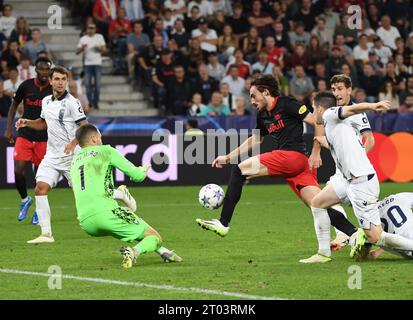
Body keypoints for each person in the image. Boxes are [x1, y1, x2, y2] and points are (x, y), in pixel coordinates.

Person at [196, 74, 348, 264]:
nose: (252, 101)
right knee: (317, 204)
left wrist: (316, 151)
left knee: (240, 170)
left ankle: (223, 222)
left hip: (292, 157)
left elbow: (317, 120)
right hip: (295, 167)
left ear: (266, 92)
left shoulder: (287, 103)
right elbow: (256, 139)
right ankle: (357, 234)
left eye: (253, 96)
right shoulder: (262, 115)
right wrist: (227, 157)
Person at [311, 92, 413, 260]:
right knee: (317, 203)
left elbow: (352, 108)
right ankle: (323, 254)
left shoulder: (330, 114)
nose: (314, 114)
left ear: (321, 108)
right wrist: (324, 144)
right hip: (349, 181)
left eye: (314, 109)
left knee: (375, 236)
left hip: (360, 182)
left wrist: (372, 106)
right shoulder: (336, 127)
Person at [70, 123, 182, 268]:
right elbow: (137, 176)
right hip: (106, 214)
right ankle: (134, 252)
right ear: (93, 138)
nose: (101, 139)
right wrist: (143, 170)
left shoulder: (75, 160)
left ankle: (163, 252)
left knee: (134, 230)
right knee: (154, 236)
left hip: (85, 222)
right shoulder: (106, 151)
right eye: (100, 137)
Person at [14, 66, 88, 244]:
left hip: (72, 157)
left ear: (67, 81)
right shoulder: (46, 101)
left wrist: (73, 143)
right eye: (57, 79)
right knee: (40, 188)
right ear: (51, 81)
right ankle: (46, 234)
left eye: (64, 79)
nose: (60, 82)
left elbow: (84, 126)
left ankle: (119, 194)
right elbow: (43, 124)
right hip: (52, 156)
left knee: (88, 194)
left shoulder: (72, 102)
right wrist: (27, 123)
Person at [327, 74, 375, 249]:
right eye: (333, 90)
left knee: (371, 217)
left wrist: (357, 158)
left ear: (349, 90)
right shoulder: (331, 111)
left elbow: (369, 139)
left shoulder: (357, 112)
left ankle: (388, 237)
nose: (336, 93)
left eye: (340, 89)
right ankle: (345, 234)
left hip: (354, 173)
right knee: (320, 201)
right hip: (341, 173)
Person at [3, 57, 52, 224]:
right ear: (36, 70)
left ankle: (39, 209)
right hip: (25, 133)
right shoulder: (26, 85)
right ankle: (25, 200)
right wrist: (9, 128)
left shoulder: (54, 89)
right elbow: (13, 106)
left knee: (41, 177)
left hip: (44, 137)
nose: (44, 72)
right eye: (41, 69)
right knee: (18, 170)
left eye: (47, 69)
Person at [76, 23, 107, 109]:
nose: (91, 30)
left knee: (97, 85)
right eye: (89, 28)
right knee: (87, 85)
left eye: (92, 28)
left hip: (97, 63)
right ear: (87, 29)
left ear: (95, 29)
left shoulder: (99, 37)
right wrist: (82, 48)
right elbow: (77, 52)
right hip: (87, 64)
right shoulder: (83, 39)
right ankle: (89, 102)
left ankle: (96, 102)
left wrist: (99, 49)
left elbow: (104, 50)